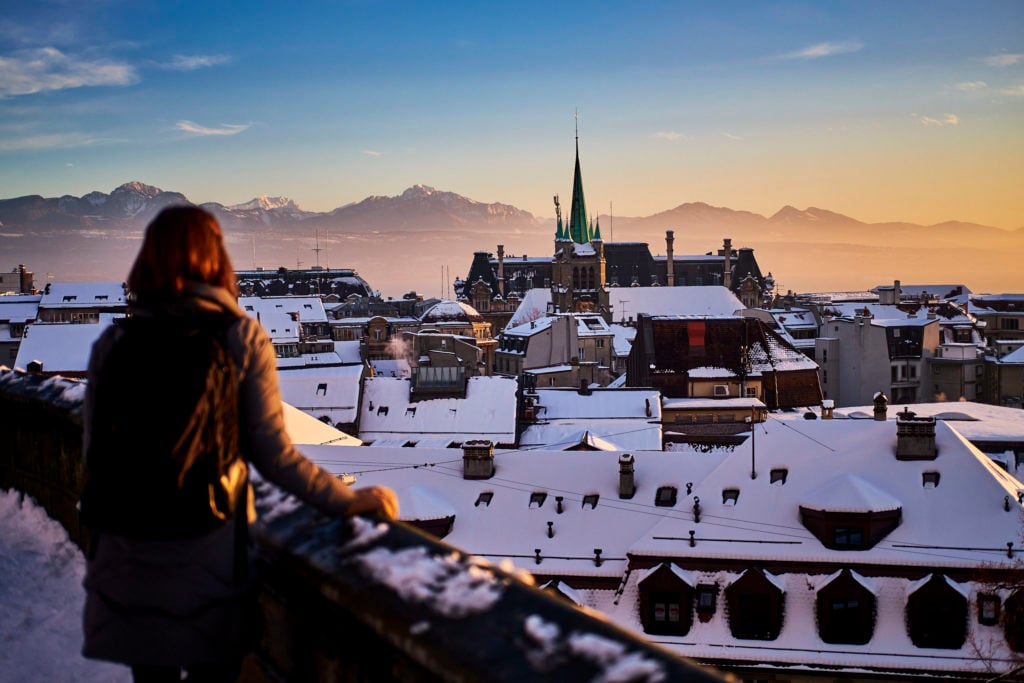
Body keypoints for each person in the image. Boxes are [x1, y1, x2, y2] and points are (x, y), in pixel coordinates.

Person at [81, 206, 398, 682]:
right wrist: (348, 501)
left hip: (128, 552)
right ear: (216, 260)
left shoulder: (114, 344)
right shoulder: (240, 336)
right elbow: (275, 456)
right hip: (209, 551)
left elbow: (95, 460)